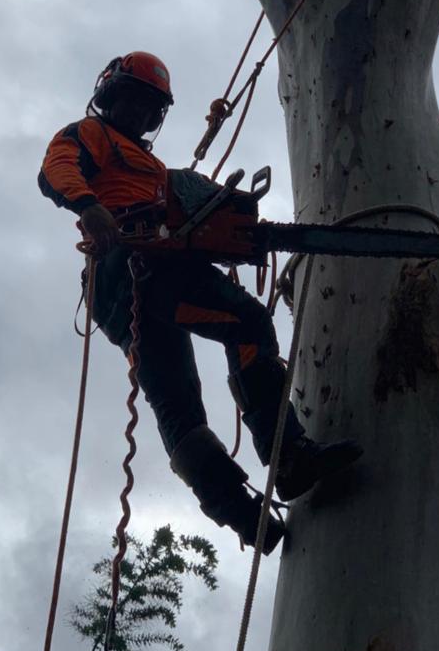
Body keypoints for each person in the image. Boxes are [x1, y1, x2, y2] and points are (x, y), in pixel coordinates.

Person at [39, 52, 362, 555]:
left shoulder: (155, 169)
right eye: (137, 102)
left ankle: (240, 513)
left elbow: (190, 206)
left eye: (153, 109)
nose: (144, 115)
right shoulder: (88, 135)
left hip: (138, 280)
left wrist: (237, 231)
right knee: (249, 322)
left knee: (175, 402)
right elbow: (56, 171)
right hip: (138, 265)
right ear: (111, 95)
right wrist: (90, 205)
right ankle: (290, 457)